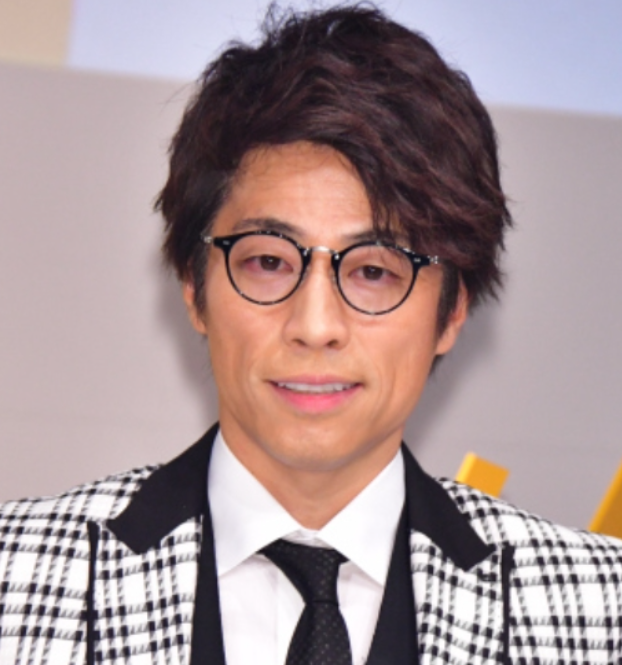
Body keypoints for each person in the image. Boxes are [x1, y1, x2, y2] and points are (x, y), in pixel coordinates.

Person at [1, 5, 621, 665]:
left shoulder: (595, 610)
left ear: (452, 311)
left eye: (374, 271)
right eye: (269, 262)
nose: (315, 326)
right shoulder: (18, 577)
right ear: (193, 286)